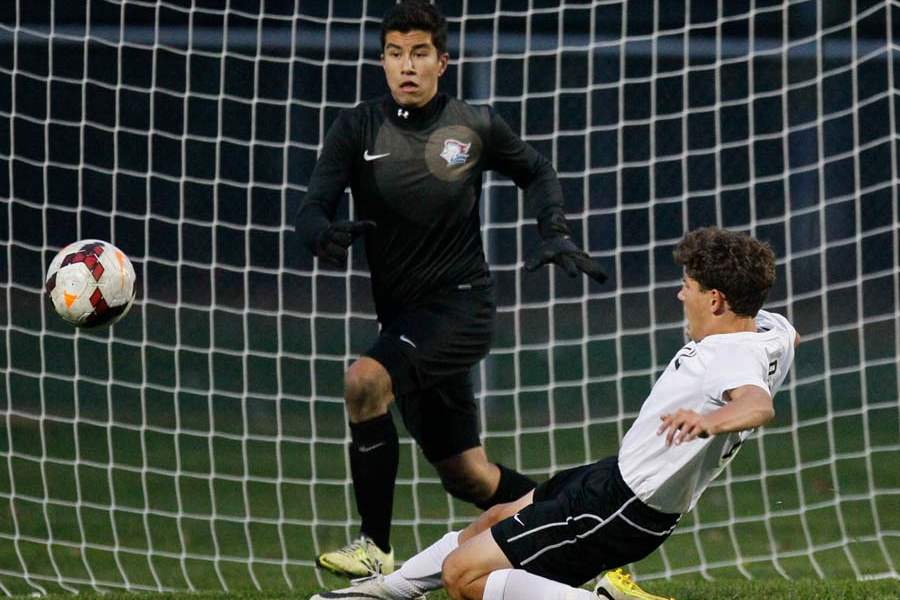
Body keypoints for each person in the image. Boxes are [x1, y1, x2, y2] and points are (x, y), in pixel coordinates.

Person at [309, 226, 799, 600]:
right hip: (613, 477)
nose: (679, 295)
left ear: (715, 299)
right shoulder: (769, 332)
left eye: (687, 286)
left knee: (466, 578)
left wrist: (711, 421)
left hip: (625, 504)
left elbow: (757, 404)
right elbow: (789, 338)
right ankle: (380, 592)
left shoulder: (728, 357)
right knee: (495, 517)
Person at [295, 0, 606, 577]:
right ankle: (584, 543)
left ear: (443, 61)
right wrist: (320, 234)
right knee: (470, 474)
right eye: (394, 54)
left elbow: (535, 170)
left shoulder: (474, 125)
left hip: (462, 305)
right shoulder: (357, 127)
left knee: (364, 381)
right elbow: (313, 206)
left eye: (418, 54)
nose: (405, 66)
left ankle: (373, 547)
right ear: (383, 62)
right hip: (406, 321)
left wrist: (555, 230)